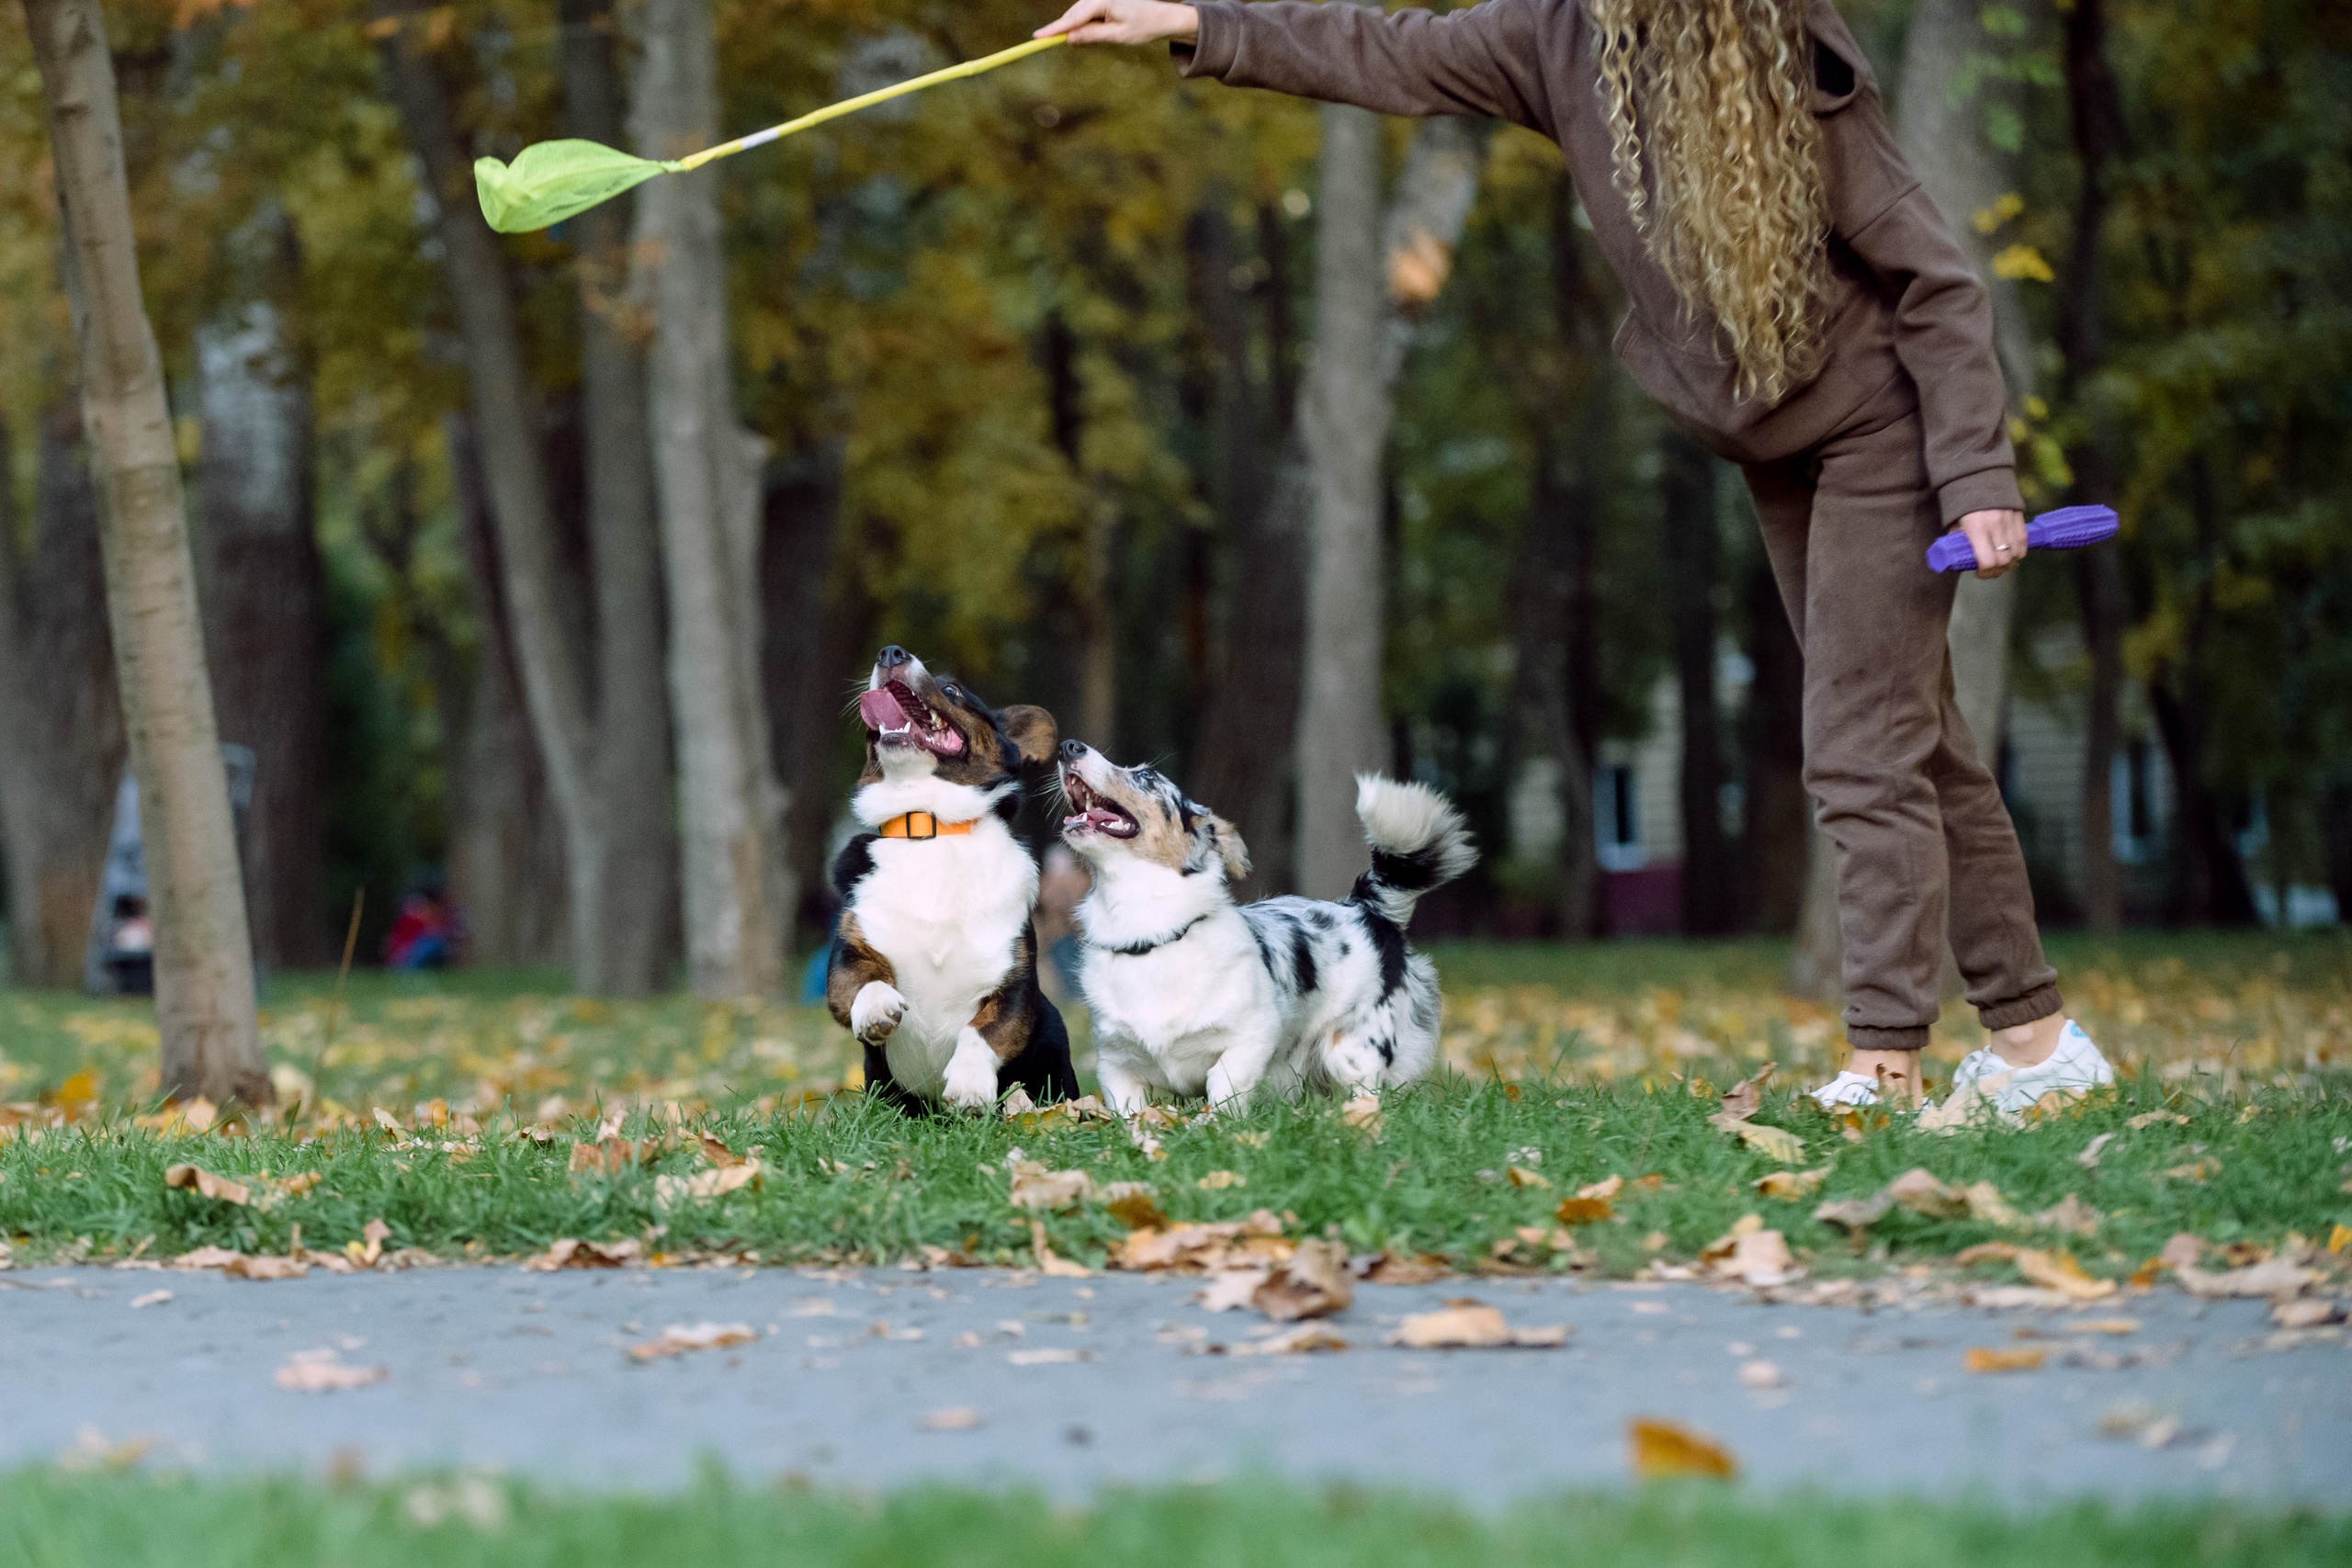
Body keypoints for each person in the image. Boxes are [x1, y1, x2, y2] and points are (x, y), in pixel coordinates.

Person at [1035, 0, 2114, 1111]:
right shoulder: (1559, 40)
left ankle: (1884, 1064)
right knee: (1918, 746)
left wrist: (1978, 476)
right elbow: (1385, 48)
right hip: (1775, 440)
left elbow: (1938, 280)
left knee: (1859, 751)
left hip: (1885, 431)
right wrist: (1197, 20)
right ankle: (2038, 1047)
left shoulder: (1793, 64)